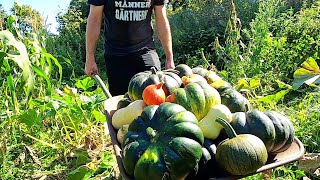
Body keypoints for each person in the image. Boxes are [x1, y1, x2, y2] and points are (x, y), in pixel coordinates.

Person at [85, 0, 175, 96]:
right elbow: (94, 20)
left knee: (155, 95)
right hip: (116, 55)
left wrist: (169, 57)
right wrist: (90, 58)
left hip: (145, 51)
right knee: (122, 104)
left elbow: (162, 20)